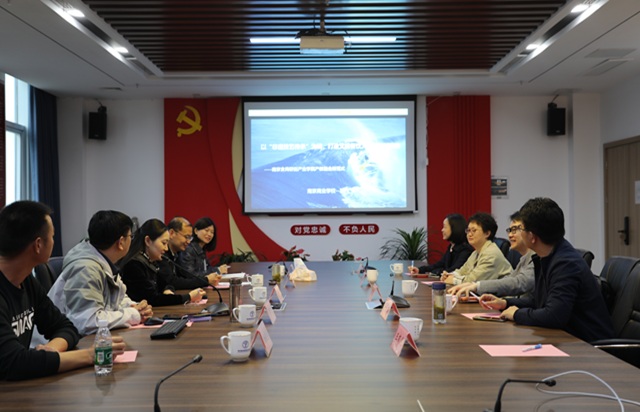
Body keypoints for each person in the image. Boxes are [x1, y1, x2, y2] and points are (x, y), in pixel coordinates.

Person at [0, 201, 125, 380]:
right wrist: (91, 355)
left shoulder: (26, 281)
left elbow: (66, 327)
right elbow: (14, 362)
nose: (53, 241)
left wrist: (51, 349)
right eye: (52, 236)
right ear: (38, 245)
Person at [479, 197, 614, 342]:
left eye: (521, 229)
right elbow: (539, 301)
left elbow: (554, 316)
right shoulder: (549, 256)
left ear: (532, 236)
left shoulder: (566, 263)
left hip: (588, 346)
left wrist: (517, 314)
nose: (516, 233)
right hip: (567, 340)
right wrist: (506, 303)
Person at [48, 210, 153, 335]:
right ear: (121, 242)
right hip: (57, 342)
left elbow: (116, 299)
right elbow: (87, 321)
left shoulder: (105, 261)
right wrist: (133, 315)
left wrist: (134, 307)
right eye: (131, 236)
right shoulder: (86, 269)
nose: (132, 240)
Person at [448, 211, 534, 299]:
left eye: (515, 230)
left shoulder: (492, 254)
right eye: (510, 230)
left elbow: (518, 283)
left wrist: (476, 285)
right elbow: (463, 271)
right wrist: (451, 275)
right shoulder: (524, 258)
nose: (510, 235)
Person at [121, 219, 206, 306]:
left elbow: (167, 284)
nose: (166, 248)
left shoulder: (152, 261)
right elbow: (153, 299)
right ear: (148, 241)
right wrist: (188, 297)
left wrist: (167, 289)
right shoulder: (134, 265)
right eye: (164, 243)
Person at [441, 212, 512, 285]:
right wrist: (449, 275)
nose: (469, 234)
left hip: (503, 292)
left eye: (474, 230)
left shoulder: (491, 254)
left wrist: (453, 280)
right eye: (468, 230)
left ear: (487, 233)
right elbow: (462, 271)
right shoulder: (476, 252)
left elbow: (473, 281)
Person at [157, 217, 220, 289]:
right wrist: (206, 280)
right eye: (186, 237)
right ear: (171, 233)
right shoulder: (162, 254)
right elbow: (173, 282)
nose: (188, 241)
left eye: (190, 237)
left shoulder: (176, 253)